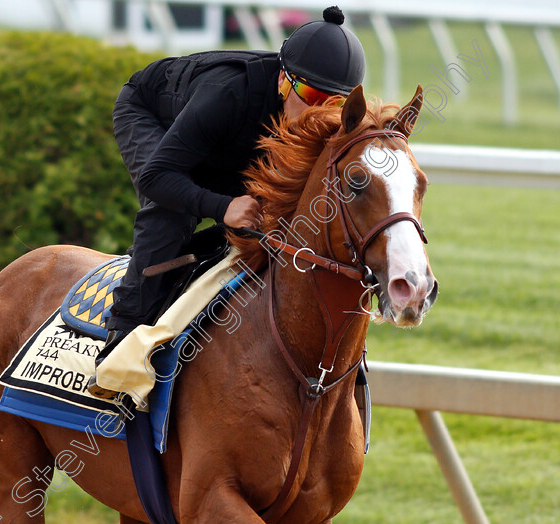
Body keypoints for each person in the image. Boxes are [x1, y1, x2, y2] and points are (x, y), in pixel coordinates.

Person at [88, 6, 366, 399]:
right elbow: (156, 178)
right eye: (313, 95)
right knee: (172, 212)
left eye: (335, 102)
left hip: (225, 141)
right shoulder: (228, 92)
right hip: (152, 115)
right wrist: (222, 208)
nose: (321, 111)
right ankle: (120, 346)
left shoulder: (307, 108)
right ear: (285, 82)